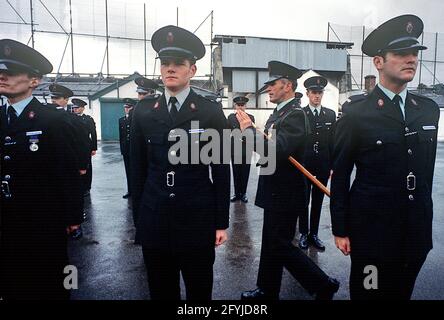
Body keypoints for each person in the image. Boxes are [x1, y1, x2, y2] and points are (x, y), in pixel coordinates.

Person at [331, 15, 440, 300]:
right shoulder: (357, 113)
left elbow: (425, 174)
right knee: (370, 293)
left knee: (401, 294)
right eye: (401, 53)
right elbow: (340, 175)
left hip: (414, 233)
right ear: (378, 62)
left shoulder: (427, 110)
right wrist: (341, 229)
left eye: (414, 53)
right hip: (372, 234)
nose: (411, 59)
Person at [130, 25, 230, 300]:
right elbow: (136, 170)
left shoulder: (210, 112)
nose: (170, 69)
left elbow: (221, 170)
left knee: (199, 291)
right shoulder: (144, 111)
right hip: (155, 217)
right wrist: (139, 217)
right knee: (161, 290)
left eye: (178, 64)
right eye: (165, 63)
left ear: (192, 70)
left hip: (196, 218)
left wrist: (221, 222)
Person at [238, 60, 339, 300]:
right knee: (271, 242)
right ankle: (266, 289)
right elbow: (267, 149)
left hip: (286, 192)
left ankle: (322, 283)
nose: (268, 89)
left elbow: (277, 151)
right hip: (274, 188)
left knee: (279, 244)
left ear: (288, 85)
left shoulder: (294, 115)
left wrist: (249, 131)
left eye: (273, 84)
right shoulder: (280, 113)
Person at [0, 39, 83, 299]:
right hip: (5, 219)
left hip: (42, 220)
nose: (2, 77)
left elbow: (67, 171)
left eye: (11, 72)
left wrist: (72, 217)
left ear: (34, 80)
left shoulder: (53, 119)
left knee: (50, 284)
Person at [298, 76, 336, 250]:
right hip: (304, 164)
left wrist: (332, 166)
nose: (317, 96)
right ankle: (303, 233)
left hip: (322, 164)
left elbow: (333, 142)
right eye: (314, 92)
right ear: (307, 94)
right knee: (303, 200)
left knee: (318, 200)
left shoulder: (330, 114)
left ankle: (314, 233)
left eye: (320, 92)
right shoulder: (300, 114)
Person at [227, 96, 255, 203]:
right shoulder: (231, 117)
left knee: (245, 171)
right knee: (236, 171)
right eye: (238, 105)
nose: (240, 107)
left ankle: (243, 193)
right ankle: (236, 193)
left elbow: (251, 132)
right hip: (235, 149)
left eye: (242, 105)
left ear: (246, 106)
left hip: (246, 149)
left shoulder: (251, 118)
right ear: (235, 106)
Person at [72, 98, 97, 197]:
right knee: (75, 166)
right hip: (74, 146)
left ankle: (87, 187)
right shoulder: (71, 118)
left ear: (82, 108)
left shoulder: (88, 119)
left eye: (77, 108)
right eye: (74, 108)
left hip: (86, 146)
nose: (75, 110)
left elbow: (93, 134)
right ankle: (77, 186)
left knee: (87, 167)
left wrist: (94, 148)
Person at [119, 98, 136, 199]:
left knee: (136, 171)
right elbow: (122, 137)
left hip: (135, 149)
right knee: (128, 171)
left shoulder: (136, 119)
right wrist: (122, 149)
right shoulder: (121, 120)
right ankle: (130, 190)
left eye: (128, 107)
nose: (126, 109)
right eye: (125, 107)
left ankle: (137, 190)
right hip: (126, 149)